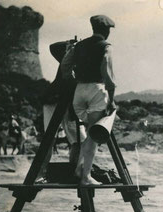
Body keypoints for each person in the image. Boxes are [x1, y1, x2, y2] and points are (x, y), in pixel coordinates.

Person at [61, 15, 116, 185]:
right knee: (95, 134)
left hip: (79, 90)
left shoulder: (79, 46)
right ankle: (85, 176)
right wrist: (112, 99)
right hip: (96, 90)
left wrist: (71, 80)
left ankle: (80, 167)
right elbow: (107, 73)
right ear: (106, 30)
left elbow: (65, 65)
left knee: (90, 135)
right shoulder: (106, 46)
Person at [43, 37, 86, 166]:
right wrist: (71, 45)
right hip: (54, 100)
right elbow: (53, 47)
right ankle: (40, 173)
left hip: (70, 105)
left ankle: (76, 170)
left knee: (81, 141)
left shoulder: (86, 64)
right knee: (48, 139)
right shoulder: (67, 57)